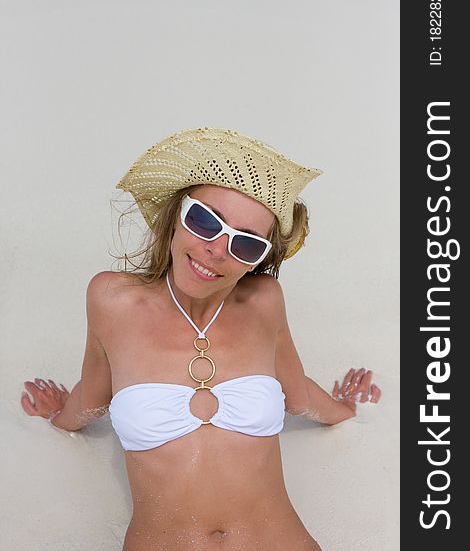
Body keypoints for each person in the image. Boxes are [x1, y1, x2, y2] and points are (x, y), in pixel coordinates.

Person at [20, 127, 381, 551]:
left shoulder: (264, 301)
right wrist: (60, 416)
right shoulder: (111, 299)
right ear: (176, 214)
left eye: (246, 244)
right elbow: (96, 393)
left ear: (258, 261)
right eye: (205, 221)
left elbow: (296, 392)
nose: (217, 249)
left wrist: (344, 408)